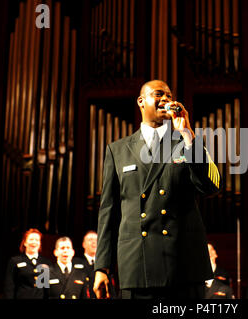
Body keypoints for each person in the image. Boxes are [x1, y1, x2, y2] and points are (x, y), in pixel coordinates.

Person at [93, 80, 222, 299]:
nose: (166, 100)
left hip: (183, 265)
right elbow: (109, 211)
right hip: (137, 265)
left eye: (169, 96)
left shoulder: (186, 142)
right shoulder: (117, 150)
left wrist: (188, 134)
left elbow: (210, 186)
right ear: (141, 101)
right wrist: (102, 267)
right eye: (159, 94)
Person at [4, 228, 51, 299]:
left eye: (37, 240)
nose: (34, 242)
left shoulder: (46, 262)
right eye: (31, 239)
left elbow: (47, 288)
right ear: (25, 243)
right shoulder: (15, 261)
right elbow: (9, 286)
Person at [73, 231, 98, 298]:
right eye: (90, 240)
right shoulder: (75, 262)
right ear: (83, 244)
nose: (94, 242)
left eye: (96, 240)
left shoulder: (103, 264)